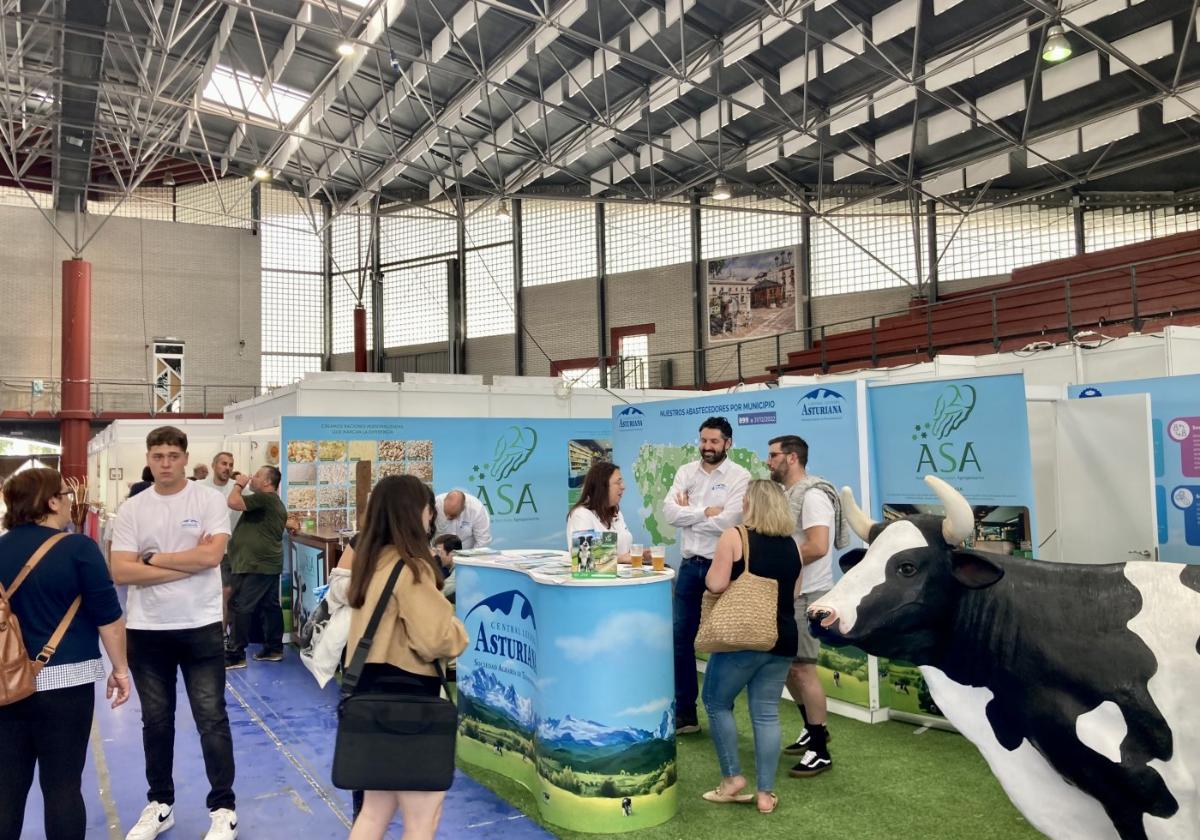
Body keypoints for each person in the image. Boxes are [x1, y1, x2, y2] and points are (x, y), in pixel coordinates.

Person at [110, 426, 238, 840]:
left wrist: (154, 561)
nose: (165, 463)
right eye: (157, 456)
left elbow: (213, 554)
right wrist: (190, 562)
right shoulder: (133, 509)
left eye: (172, 455)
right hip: (147, 630)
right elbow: (120, 571)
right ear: (148, 459)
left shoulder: (209, 500)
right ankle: (161, 804)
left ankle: (223, 808)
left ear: (185, 457)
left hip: (200, 625)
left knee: (211, 719)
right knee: (156, 721)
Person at [0, 468, 131, 840]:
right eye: (66, 495)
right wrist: (120, 669)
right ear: (51, 501)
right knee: (62, 786)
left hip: (5, 684)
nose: (71, 501)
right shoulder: (78, 549)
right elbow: (109, 618)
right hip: (65, 683)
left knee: (7, 789)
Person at [344, 475, 469, 840]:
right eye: (429, 511)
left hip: (370, 697)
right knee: (422, 817)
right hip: (411, 703)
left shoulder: (372, 564)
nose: (432, 520)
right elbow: (438, 639)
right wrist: (458, 629)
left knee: (373, 812)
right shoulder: (411, 569)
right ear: (416, 514)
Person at [700, 480, 801, 816]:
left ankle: (731, 779)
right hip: (783, 638)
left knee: (716, 701)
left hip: (742, 639)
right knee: (767, 713)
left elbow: (715, 584)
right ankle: (765, 794)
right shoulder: (793, 546)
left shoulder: (735, 536)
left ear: (751, 504)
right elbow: (794, 593)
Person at [664, 416, 750, 735]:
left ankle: (720, 711)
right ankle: (686, 714)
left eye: (714, 441)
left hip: (724, 567)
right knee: (680, 640)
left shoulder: (740, 476)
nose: (707, 447)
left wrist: (688, 516)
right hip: (689, 566)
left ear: (728, 443)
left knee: (724, 642)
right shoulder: (686, 472)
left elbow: (730, 521)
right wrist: (702, 513)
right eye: (703, 440)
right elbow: (669, 513)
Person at [767, 434, 845, 778]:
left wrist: (775, 558)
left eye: (773, 455)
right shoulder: (787, 495)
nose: (768, 461)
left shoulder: (813, 496)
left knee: (802, 669)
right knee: (787, 667)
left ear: (792, 458)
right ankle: (812, 729)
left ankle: (820, 749)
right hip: (789, 592)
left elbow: (817, 546)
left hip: (808, 593)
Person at [224, 466, 288, 669]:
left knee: (241, 605)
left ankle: (236, 653)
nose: (253, 476)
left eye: (258, 475)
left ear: (268, 483)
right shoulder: (270, 503)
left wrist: (239, 484)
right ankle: (273, 648)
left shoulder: (266, 498)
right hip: (265, 564)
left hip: (257, 565)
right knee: (269, 606)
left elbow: (233, 501)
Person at [200, 452, 240, 631]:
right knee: (211, 594)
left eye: (231, 464)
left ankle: (224, 633)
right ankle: (217, 632)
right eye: (224, 464)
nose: (228, 468)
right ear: (213, 465)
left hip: (232, 550)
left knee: (228, 593)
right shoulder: (200, 487)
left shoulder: (238, 487)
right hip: (207, 549)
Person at [566, 461, 632, 561]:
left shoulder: (616, 513)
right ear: (602, 487)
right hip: (598, 577)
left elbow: (621, 549)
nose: (623, 487)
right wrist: (621, 559)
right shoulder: (581, 515)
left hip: (625, 575)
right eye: (618, 482)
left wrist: (639, 554)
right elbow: (583, 559)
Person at [432, 534, 461, 602]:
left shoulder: (460, 572)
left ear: (452, 554)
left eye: (439, 552)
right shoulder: (452, 569)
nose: (436, 556)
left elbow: (439, 592)